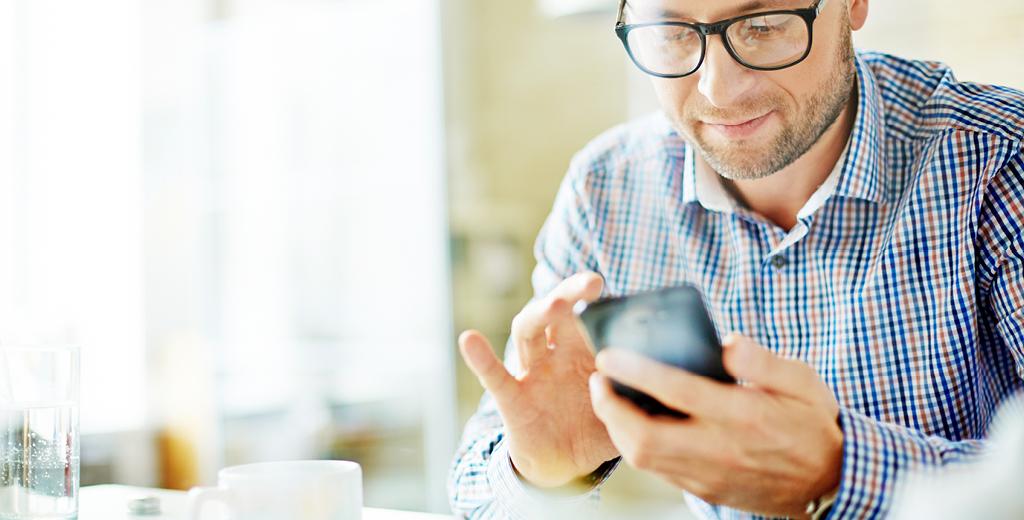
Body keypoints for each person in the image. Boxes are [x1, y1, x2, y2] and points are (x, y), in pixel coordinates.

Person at [448, 0, 1024, 517]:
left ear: (853, 4)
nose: (718, 90)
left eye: (763, 26)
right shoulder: (607, 191)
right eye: (671, 32)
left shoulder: (998, 162)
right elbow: (478, 487)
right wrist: (548, 475)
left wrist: (837, 471)